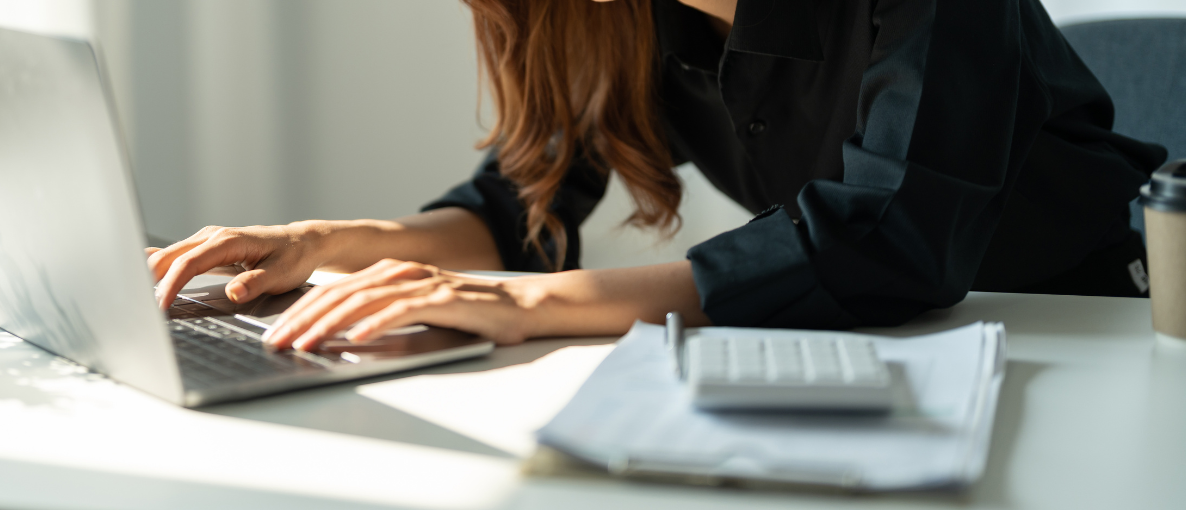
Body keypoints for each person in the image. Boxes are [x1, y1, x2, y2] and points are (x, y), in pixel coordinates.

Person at [148, 0, 1166, 352]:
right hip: (884, 346)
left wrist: (534, 306)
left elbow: (884, 235)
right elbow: (520, 205)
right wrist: (325, 241)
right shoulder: (631, 20)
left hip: (1095, 328)